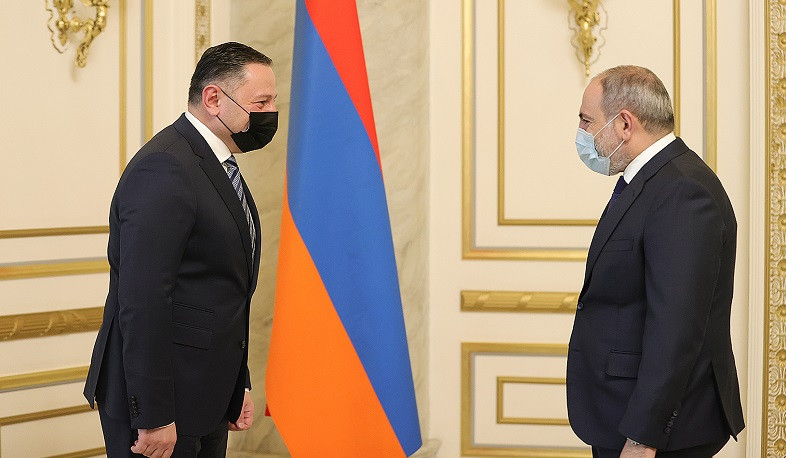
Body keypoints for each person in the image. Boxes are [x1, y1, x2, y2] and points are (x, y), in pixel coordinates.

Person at [83, 41, 278, 457]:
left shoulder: (214, 163)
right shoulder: (166, 166)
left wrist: (237, 385)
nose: (270, 113)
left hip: (208, 395)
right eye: (261, 103)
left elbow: (220, 291)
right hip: (163, 407)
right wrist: (153, 415)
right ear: (214, 99)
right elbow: (143, 300)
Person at [567, 65, 744, 457]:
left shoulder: (682, 190)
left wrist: (641, 437)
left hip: (656, 434)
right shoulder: (653, 180)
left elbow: (676, 328)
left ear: (624, 124)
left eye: (586, 120)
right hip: (622, 415)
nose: (581, 132)